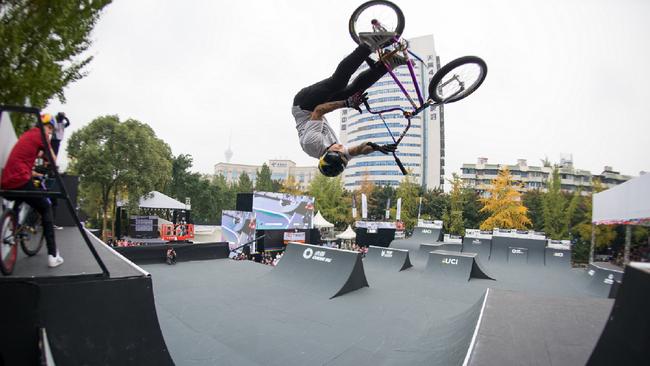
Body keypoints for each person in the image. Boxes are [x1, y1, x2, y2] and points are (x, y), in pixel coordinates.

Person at [292, 32, 408, 177]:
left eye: (339, 150)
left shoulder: (312, 144)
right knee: (354, 91)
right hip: (318, 106)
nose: (342, 147)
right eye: (343, 153)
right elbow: (359, 150)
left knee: (338, 83)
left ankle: (367, 45)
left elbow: (318, 110)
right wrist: (377, 147)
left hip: (304, 105)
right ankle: (387, 64)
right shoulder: (339, 154)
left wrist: (347, 103)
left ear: (329, 154)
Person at [1, 114, 64, 268]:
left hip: (6, 182)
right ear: (43, 126)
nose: (50, 132)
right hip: (21, 181)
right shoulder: (41, 136)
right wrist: (51, 162)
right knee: (45, 207)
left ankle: (13, 226)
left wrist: (34, 171)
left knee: (20, 198)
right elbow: (52, 159)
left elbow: (24, 160)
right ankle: (52, 255)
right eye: (49, 128)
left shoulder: (28, 135)